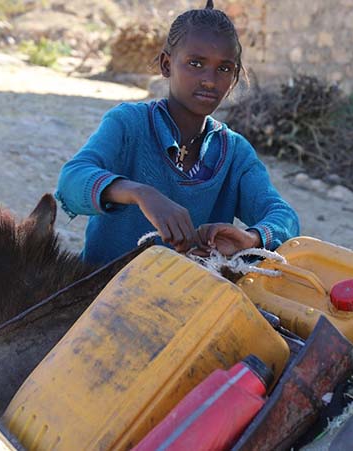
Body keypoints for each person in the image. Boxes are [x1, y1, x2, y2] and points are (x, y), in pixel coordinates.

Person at [55, 0, 299, 265]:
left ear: (234, 79)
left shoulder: (234, 153)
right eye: (196, 63)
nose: (209, 79)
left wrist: (250, 237)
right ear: (166, 64)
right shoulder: (129, 124)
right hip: (103, 292)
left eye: (224, 69)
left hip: (187, 300)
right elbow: (71, 181)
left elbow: (283, 216)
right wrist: (140, 193)